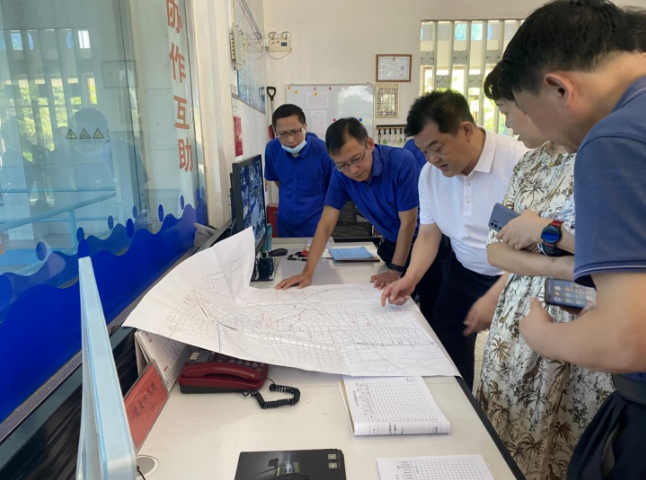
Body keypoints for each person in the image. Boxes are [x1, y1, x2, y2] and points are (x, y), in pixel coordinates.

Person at [498, 1, 646, 478]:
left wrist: (540, 333)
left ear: (559, 87)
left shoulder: (615, 138)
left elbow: (626, 341)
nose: (546, 136)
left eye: (529, 112)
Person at [475, 64, 613, 480]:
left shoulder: (605, 154)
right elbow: (496, 250)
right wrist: (556, 264)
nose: (507, 124)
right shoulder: (529, 165)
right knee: (509, 430)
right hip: (520, 321)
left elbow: (621, 250)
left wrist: (547, 231)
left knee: (568, 433)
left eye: (508, 110)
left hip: (582, 320)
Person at [381, 90, 527, 389]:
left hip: (518, 280)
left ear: (466, 130)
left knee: (511, 366)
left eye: (437, 148)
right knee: (447, 348)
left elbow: (536, 251)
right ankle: (459, 405)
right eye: (424, 152)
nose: (432, 160)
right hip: (463, 272)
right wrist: (410, 279)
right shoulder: (430, 175)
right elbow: (429, 234)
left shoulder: (519, 162)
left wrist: (495, 296)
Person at [277, 117, 420, 291]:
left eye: (356, 159)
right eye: (342, 165)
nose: (352, 170)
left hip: (422, 245)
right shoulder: (340, 175)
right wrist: (307, 273)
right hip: (392, 244)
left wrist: (395, 270)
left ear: (369, 144)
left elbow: (409, 222)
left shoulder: (401, 161)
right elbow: (326, 225)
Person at [264, 104, 333, 237]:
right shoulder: (272, 149)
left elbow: (334, 188)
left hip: (316, 225)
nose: (290, 140)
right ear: (275, 131)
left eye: (295, 131)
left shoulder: (323, 152)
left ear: (305, 127)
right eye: (282, 134)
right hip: (285, 223)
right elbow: (277, 180)